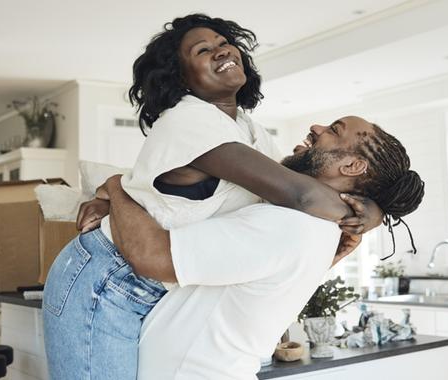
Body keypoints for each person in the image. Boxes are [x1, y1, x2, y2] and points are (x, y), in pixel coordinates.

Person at [42, 14, 385, 379]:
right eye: (202, 50)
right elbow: (301, 195)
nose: (222, 51)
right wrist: (369, 212)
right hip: (107, 278)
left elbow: (293, 193)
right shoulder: (187, 121)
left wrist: (370, 212)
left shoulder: (249, 129)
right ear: (179, 77)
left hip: (152, 284)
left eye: (224, 43)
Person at [100, 115, 425, 379]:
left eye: (334, 130)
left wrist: (117, 187)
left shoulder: (288, 225)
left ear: (352, 166)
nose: (317, 127)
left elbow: (150, 256)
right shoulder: (316, 228)